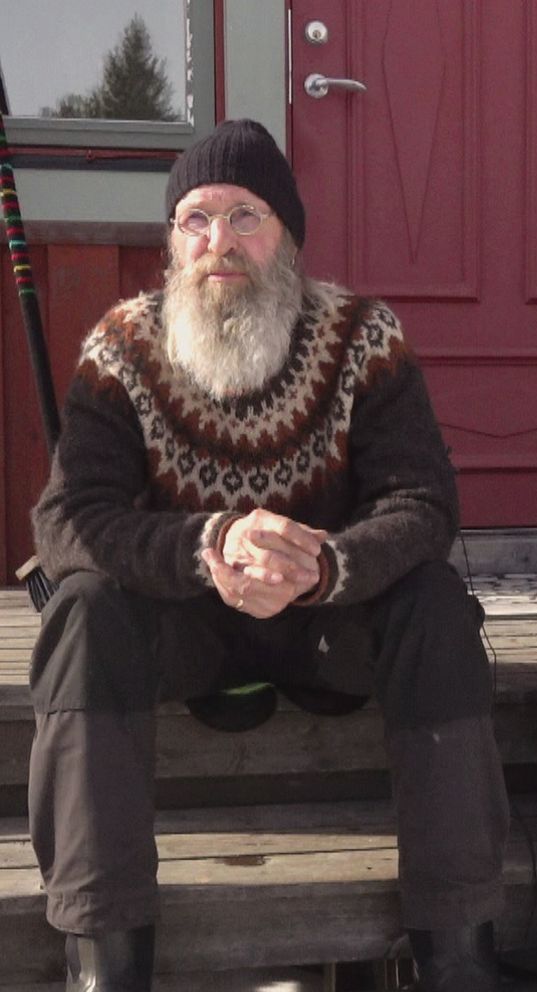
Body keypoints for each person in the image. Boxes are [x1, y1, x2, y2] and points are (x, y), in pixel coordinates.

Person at [27, 118, 509, 992]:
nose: (219, 241)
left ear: (287, 233)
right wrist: (206, 543)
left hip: (328, 627)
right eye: (196, 220)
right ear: (173, 242)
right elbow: (68, 519)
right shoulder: (124, 347)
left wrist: (324, 564)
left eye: (245, 216)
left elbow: (425, 503)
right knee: (82, 613)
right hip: (186, 630)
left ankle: (459, 951)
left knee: (437, 605)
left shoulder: (364, 337)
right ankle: (103, 958)